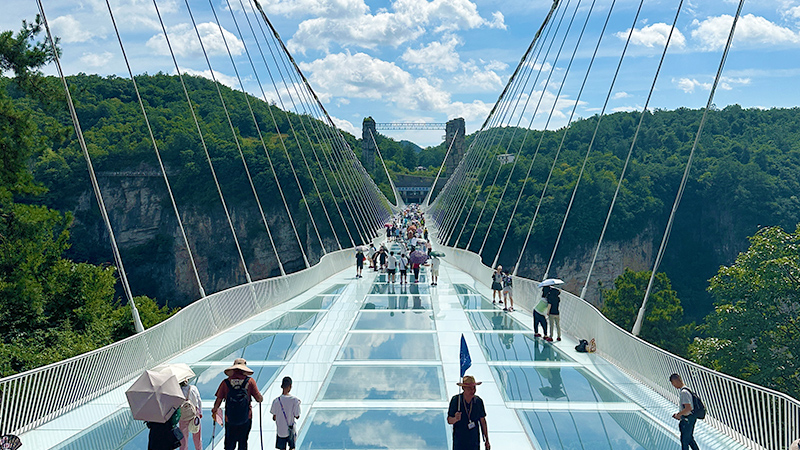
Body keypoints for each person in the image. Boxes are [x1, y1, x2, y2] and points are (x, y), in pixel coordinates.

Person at [211, 358, 264, 450]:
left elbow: (218, 400)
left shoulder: (225, 382)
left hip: (230, 418)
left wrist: (215, 410)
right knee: (243, 442)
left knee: (229, 443)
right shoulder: (250, 381)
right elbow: (259, 399)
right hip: (246, 417)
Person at [447, 375, 490, 450]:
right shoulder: (456, 400)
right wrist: (455, 419)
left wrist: (486, 439)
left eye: (474, 388)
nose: (472, 390)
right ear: (463, 388)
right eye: (470, 388)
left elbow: (483, 421)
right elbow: (449, 420)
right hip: (459, 441)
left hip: (474, 441)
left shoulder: (478, 401)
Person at [670, 373, 700, 450]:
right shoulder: (687, 389)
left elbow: (688, 408)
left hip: (687, 420)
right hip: (690, 418)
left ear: (675, 381)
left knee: (684, 441)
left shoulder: (684, 392)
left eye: (673, 383)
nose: (674, 386)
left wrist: (678, 415)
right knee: (689, 439)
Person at [270, 376, 301, 450]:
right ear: (290, 386)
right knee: (292, 447)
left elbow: (274, 417)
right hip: (290, 430)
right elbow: (297, 416)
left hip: (280, 431)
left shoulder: (276, 401)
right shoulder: (295, 401)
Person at [179, 378, 202, 450]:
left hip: (184, 415)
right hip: (194, 414)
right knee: (197, 436)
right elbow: (199, 401)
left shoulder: (178, 391)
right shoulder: (193, 388)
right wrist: (200, 413)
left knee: (183, 438)